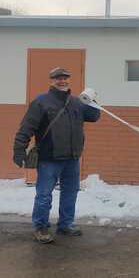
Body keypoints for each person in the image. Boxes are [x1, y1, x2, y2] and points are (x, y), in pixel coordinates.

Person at [13, 67, 101, 244]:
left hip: (72, 158)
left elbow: (94, 116)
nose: (62, 81)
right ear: (51, 81)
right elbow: (26, 127)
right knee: (44, 194)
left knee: (70, 192)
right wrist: (19, 150)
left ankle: (65, 224)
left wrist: (92, 99)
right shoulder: (41, 102)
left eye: (65, 78)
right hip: (49, 159)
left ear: (69, 80)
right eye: (58, 78)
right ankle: (41, 227)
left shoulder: (77, 102)